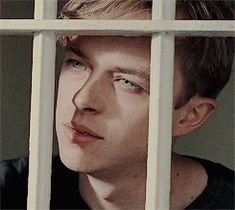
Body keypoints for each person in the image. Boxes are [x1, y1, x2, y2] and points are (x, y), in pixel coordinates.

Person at [1, 0, 234, 209]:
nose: (82, 100)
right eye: (77, 64)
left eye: (127, 82)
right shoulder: (11, 191)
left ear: (191, 115)